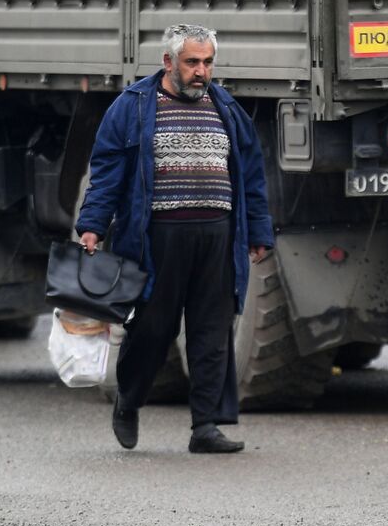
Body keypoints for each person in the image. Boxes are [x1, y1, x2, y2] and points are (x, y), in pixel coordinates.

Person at [76, 23, 273, 454]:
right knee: (151, 328)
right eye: (192, 62)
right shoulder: (134, 106)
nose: (201, 72)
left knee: (211, 331)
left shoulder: (226, 108)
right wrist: (92, 224)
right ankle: (129, 400)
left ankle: (205, 427)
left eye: (207, 63)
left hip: (217, 237)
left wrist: (258, 230)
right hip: (158, 238)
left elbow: (252, 174)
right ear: (169, 62)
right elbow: (107, 169)